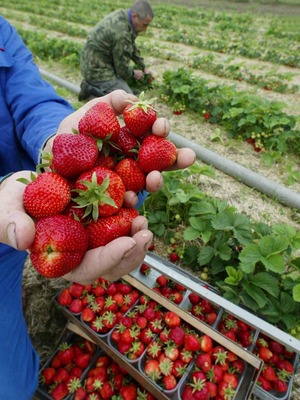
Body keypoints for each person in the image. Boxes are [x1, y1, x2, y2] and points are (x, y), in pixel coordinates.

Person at [0, 16, 195, 399]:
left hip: (18, 217)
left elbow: (31, 99)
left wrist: (53, 143)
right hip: (14, 209)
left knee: (12, 360)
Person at [78, 0, 154, 101]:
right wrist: (133, 73)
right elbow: (121, 69)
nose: (145, 29)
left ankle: (101, 87)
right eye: (145, 25)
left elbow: (131, 45)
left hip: (96, 61)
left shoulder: (124, 16)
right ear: (135, 16)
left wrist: (143, 66)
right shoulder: (121, 32)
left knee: (126, 93)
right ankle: (90, 89)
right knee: (128, 100)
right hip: (96, 69)